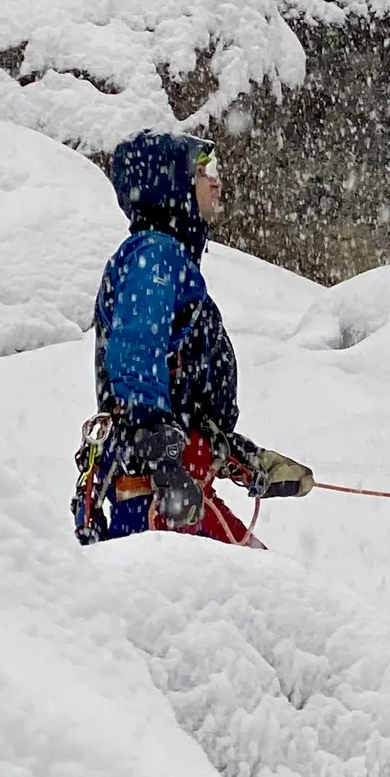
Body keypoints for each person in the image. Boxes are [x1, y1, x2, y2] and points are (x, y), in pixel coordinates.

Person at [73, 129, 315, 545]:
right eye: (204, 170)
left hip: (175, 484)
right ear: (172, 184)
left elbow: (185, 399)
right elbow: (136, 350)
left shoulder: (168, 259)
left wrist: (248, 461)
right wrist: (164, 458)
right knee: (256, 600)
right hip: (160, 490)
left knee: (259, 596)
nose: (217, 181)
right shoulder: (156, 254)